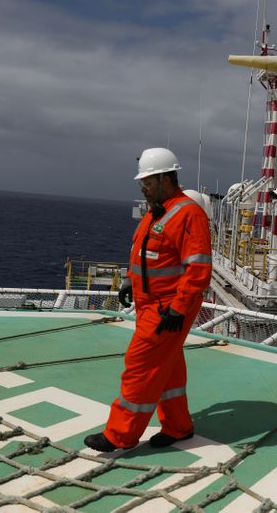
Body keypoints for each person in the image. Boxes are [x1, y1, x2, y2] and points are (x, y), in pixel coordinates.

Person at [84, 148, 212, 452]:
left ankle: (119, 435)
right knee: (167, 367)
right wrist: (130, 280)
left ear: (166, 179)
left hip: (167, 307)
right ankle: (178, 427)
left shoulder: (187, 214)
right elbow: (142, 251)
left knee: (139, 365)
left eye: (148, 182)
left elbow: (198, 269)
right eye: (141, 181)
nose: (142, 187)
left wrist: (178, 309)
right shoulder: (157, 212)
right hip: (149, 303)